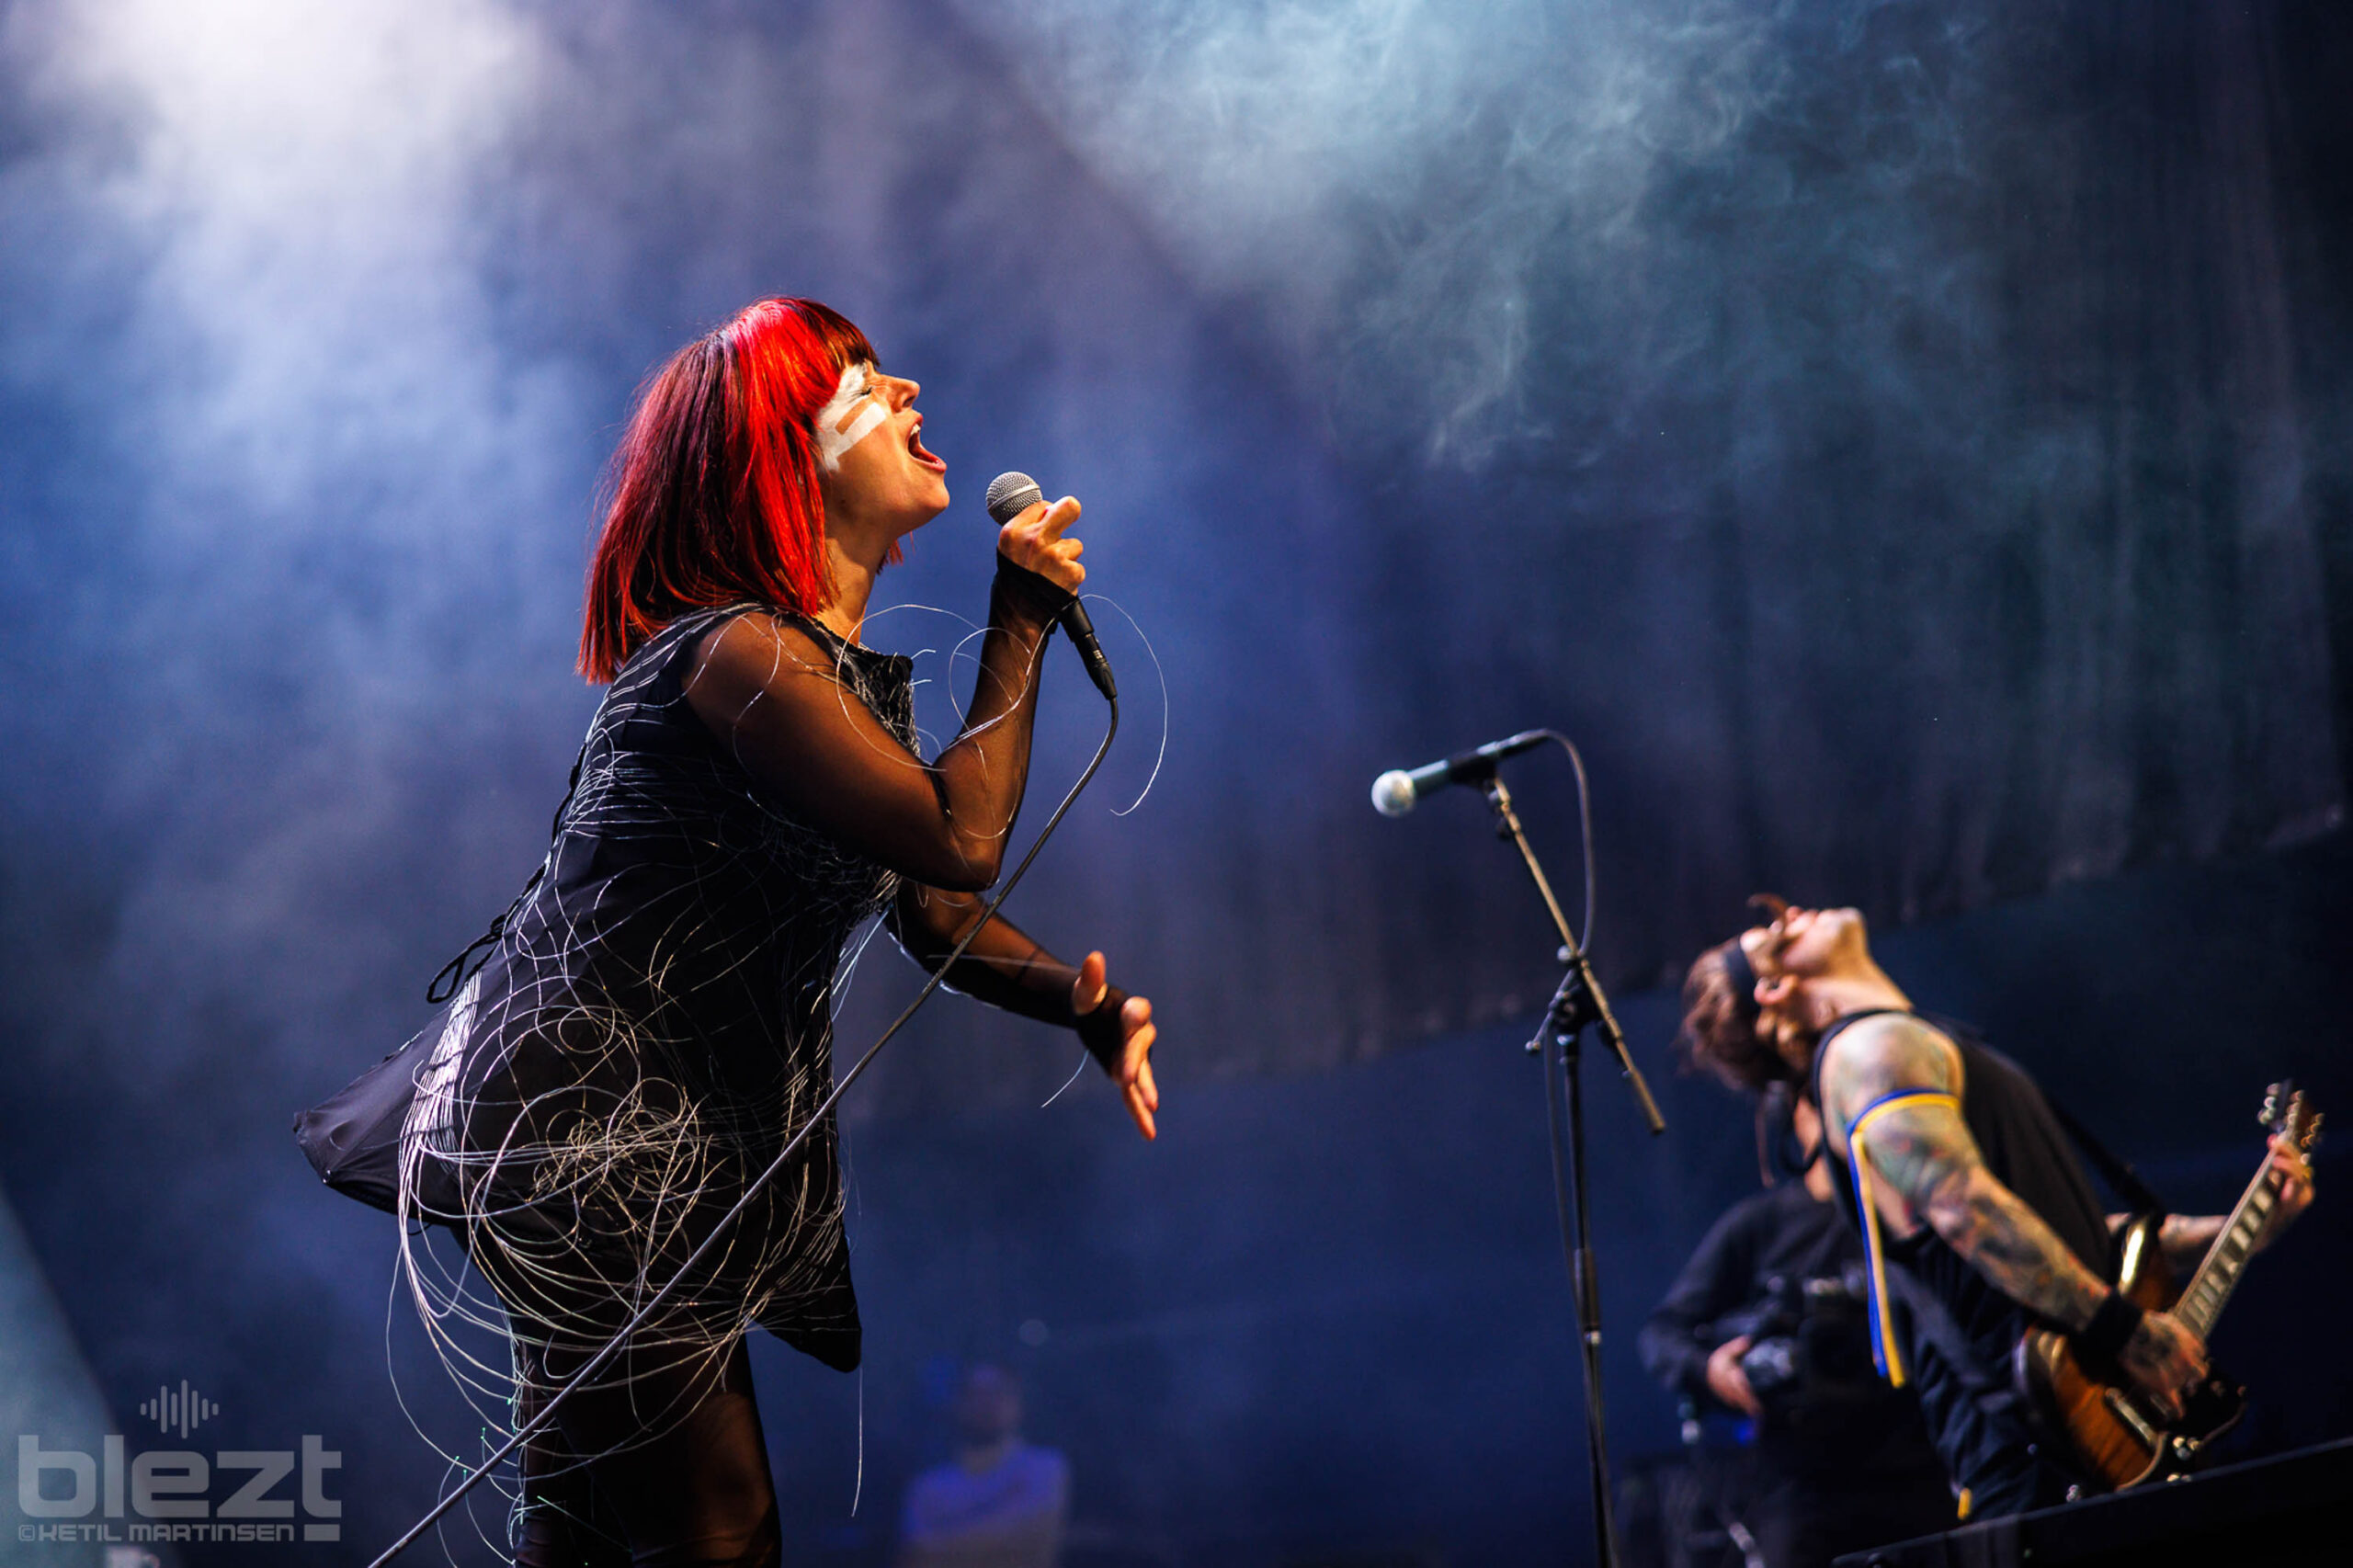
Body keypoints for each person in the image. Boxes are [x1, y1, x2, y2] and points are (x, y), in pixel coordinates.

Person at [394, 297, 1160, 1567]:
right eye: (859, 379)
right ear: (778, 453)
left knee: (583, 1532)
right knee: (723, 1526)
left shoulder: (803, 675)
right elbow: (957, 835)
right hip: (583, 1123)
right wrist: (1018, 612)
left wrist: (1078, 1005)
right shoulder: (732, 654)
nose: (907, 387)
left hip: (620, 1139)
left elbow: (935, 909)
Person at [1675, 897, 2313, 1520]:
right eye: (1780, 932)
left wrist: (2240, 1231)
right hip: (2039, 1439)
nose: (1800, 913)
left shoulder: (1910, 1042)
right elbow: (1966, 1213)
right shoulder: (1868, 1053)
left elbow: (2057, 1233)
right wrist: (2128, 1332)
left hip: (2092, 1432)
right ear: (1773, 989)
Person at [1640, 1093, 1953, 1566]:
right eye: (1822, 1103)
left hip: (1917, 1469)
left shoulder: (1911, 1219)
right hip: (1800, 1484)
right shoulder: (1760, 1225)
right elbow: (1661, 1333)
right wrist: (1712, 1371)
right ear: (1798, 1121)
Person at [897, 1365, 1070, 1568]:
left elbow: (1033, 1533)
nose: (986, 1404)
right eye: (975, 1394)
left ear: (1018, 1404)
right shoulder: (927, 1486)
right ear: (957, 1405)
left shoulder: (1045, 1466)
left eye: (997, 1393)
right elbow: (913, 1554)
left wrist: (940, 1545)